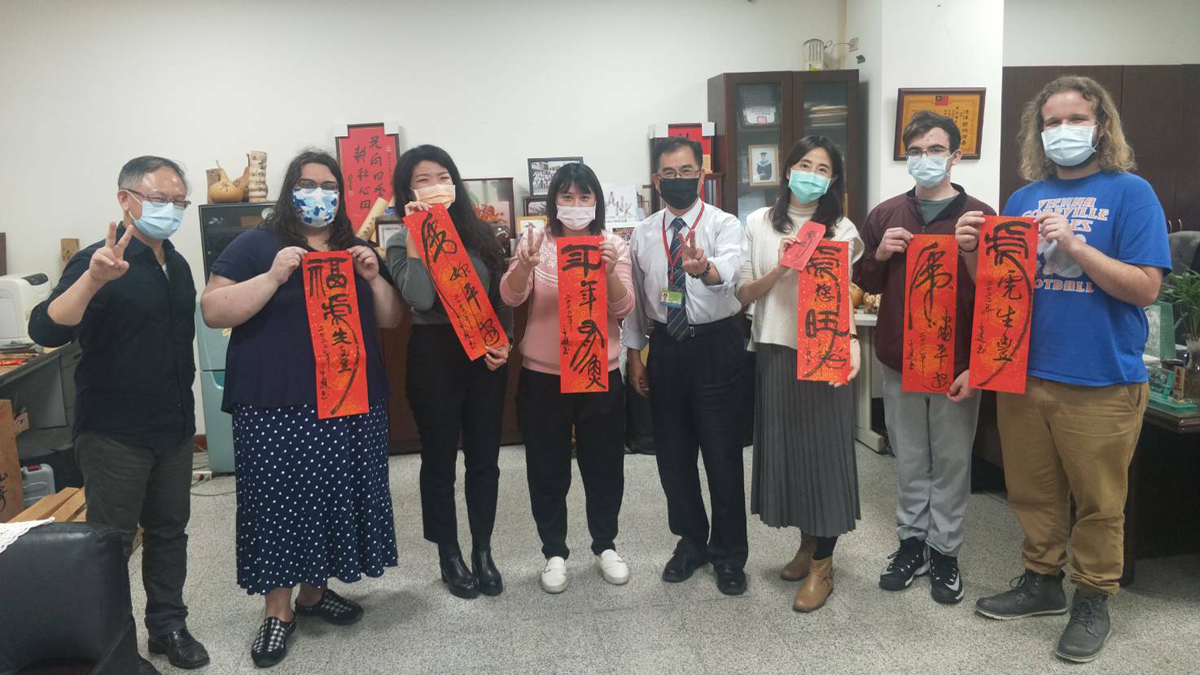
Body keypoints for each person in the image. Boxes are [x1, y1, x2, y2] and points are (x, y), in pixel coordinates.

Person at [960, 76, 1170, 663]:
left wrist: (1077, 247)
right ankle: (1041, 580)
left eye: (1074, 119)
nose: (1062, 131)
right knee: (1032, 491)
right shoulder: (1023, 200)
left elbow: (1144, 288)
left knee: (1099, 498)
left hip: (1100, 376)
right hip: (1025, 373)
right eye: (1051, 122)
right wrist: (972, 252)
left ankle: (1094, 596)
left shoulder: (1132, 193)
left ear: (1100, 126)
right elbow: (997, 294)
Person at [201, 150, 404, 668]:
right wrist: (271, 277)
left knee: (333, 494)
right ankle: (278, 612)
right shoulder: (257, 243)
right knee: (278, 499)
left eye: (329, 186)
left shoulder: (353, 246)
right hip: (275, 399)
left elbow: (389, 317)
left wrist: (375, 276)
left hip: (347, 397)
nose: (320, 195)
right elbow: (213, 308)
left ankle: (313, 594)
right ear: (291, 190)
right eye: (309, 185)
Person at [29, 156, 208, 675]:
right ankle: (111, 636)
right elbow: (46, 329)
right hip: (114, 432)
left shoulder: (177, 262)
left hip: (173, 426)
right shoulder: (96, 260)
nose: (169, 209)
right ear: (124, 199)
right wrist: (92, 281)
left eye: (178, 201)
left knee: (171, 530)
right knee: (109, 541)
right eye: (158, 199)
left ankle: (168, 625)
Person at [855, 110, 995, 604]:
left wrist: (976, 366)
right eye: (915, 151)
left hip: (957, 363)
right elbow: (865, 285)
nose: (925, 159)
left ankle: (946, 554)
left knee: (953, 460)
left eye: (935, 150)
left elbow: (1000, 299)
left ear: (956, 156)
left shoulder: (980, 216)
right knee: (910, 457)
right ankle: (910, 544)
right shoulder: (886, 214)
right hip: (901, 360)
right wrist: (880, 256)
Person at [737, 136, 863, 612]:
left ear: (832, 180)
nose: (812, 174)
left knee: (825, 455)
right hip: (773, 349)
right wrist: (784, 268)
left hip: (823, 352)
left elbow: (842, 299)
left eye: (823, 168)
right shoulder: (758, 222)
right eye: (804, 164)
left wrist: (850, 346)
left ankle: (823, 566)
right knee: (790, 453)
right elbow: (744, 293)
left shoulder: (842, 230)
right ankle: (808, 543)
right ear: (787, 170)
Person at [386, 144, 514, 600]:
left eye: (443, 176)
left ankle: (483, 550)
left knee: (484, 459)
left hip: (482, 353)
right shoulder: (399, 240)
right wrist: (421, 231)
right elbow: (420, 297)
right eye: (423, 180)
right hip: (434, 353)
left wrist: (504, 340)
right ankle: (449, 554)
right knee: (439, 460)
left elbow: (502, 295)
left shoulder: (480, 232)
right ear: (407, 190)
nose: (436, 186)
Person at [501, 162, 635, 594]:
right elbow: (511, 295)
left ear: (596, 202)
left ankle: (606, 545)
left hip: (600, 371)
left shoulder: (614, 244)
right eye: (566, 197)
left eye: (584, 197)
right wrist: (523, 263)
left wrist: (609, 270)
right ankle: (553, 552)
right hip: (543, 376)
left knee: (604, 464)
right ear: (552, 202)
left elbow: (624, 309)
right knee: (546, 465)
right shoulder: (536, 240)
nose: (575, 206)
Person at [623, 136, 750, 595]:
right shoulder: (643, 232)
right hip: (666, 348)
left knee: (721, 456)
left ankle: (730, 552)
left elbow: (731, 271)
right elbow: (636, 300)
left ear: (702, 173)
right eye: (669, 174)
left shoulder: (724, 224)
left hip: (716, 345)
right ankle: (691, 542)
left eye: (687, 172)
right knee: (673, 457)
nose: (678, 180)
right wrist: (635, 354)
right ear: (656, 180)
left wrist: (703, 270)